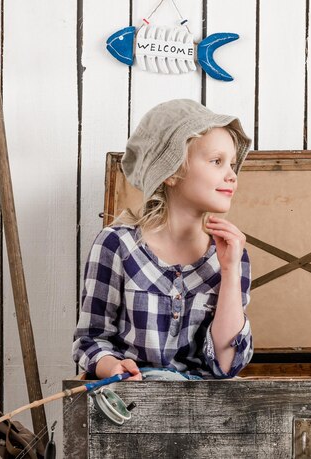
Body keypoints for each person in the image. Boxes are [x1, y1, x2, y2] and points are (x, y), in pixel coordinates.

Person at [73, 99, 253, 380]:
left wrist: (230, 272)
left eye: (231, 164)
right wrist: (113, 366)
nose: (232, 175)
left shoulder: (231, 252)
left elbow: (226, 364)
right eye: (217, 162)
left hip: (207, 409)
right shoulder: (117, 245)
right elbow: (91, 339)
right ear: (171, 171)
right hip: (132, 403)